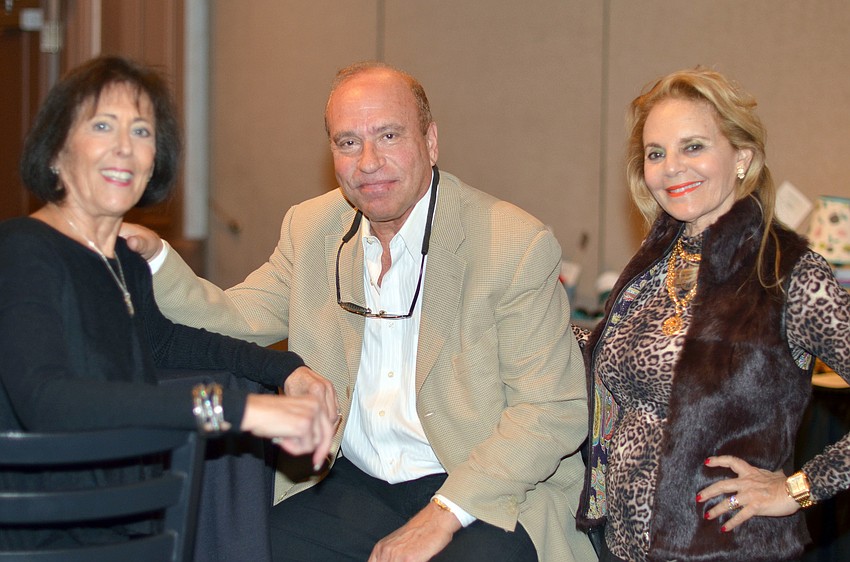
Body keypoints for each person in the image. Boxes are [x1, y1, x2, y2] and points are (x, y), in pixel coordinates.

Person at [121, 61, 594, 561]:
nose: (368, 162)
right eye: (348, 142)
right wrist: (153, 257)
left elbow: (551, 411)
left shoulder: (512, 243)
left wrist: (440, 516)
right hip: (353, 482)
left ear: (431, 142)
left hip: (480, 488)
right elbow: (234, 319)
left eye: (388, 135)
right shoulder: (312, 228)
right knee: (248, 551)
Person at [0, 55, 338, 551]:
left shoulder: (123, 261)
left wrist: (284, 369)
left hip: (123, 517)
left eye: (141, 132)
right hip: (40, 533)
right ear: (56, 150)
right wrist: (239, 409)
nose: (125, 148)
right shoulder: (22, 250)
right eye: (102, 126)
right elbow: (49, 400)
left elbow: (165, 342)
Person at [575, 67, 850, 561]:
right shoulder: (653, 263)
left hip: (725, 549)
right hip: (619, 546)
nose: (672, 168)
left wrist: (798, 489)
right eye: (656, 153)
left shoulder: (787, 274)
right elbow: (615, 361)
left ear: (742, 157)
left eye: (693, 147)